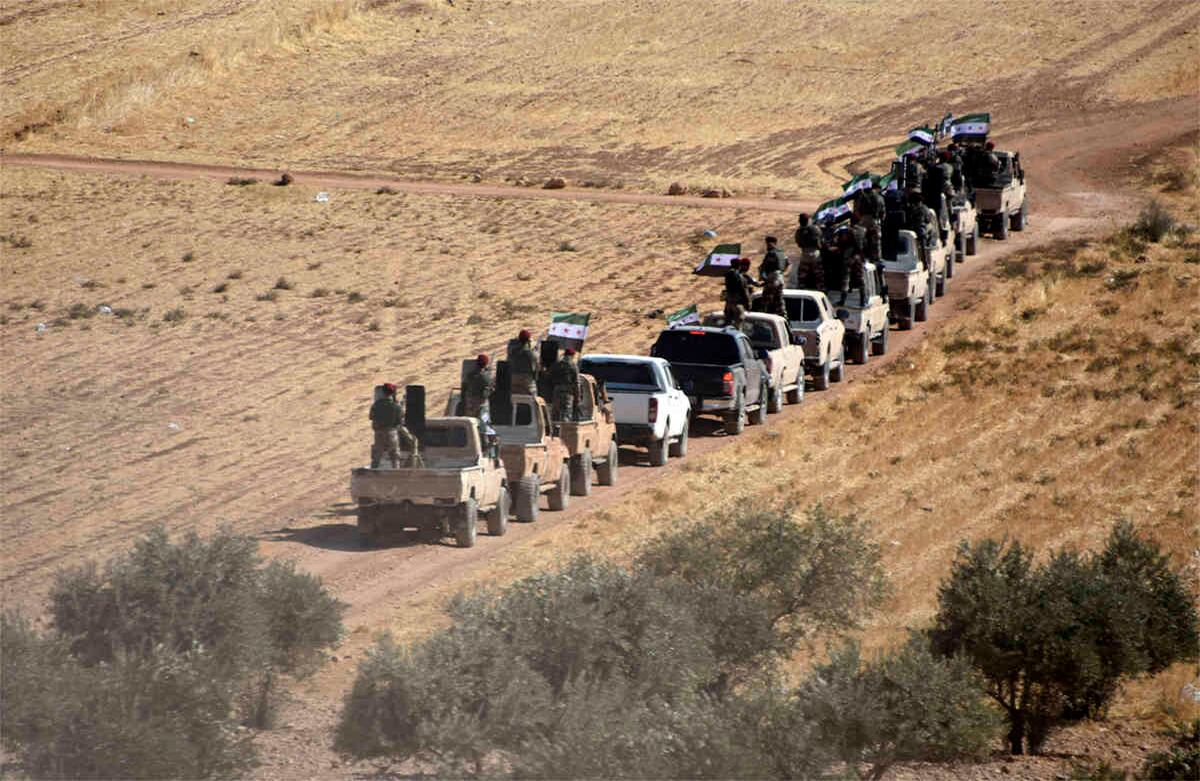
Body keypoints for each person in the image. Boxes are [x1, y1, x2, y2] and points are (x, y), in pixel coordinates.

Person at [369, 383, 419, 468]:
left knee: (377, 456)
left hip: (379, 433)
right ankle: (396, 472)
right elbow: (400, 421)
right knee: (395, 456)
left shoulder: (376, 405)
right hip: (392, 433)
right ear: (392, 393)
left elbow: (371, 417)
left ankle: (372, 472)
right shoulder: (396, 407)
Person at [854, 182, 885, 265]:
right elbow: (883, 212)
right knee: (876, 240)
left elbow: (856, 209)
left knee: (862, 238)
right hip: (875, 220)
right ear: (877, 189)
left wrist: (861, 218)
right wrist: (880, 220)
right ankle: (876, 259)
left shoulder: (862, 196)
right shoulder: (880, 198)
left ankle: (863, 257)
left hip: (863, 219)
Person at [794, 213, 824, 289]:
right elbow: (820, 237)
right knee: (819, 274)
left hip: (804, 254)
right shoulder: (815, 229)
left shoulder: (799, 231)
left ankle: (801, 288)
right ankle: (821, 288)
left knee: (802, 275)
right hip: (815, 253)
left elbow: (798, 243)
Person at [549, 347, 580, 421]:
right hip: (568, 393)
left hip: (557, 390)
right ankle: (565, 431)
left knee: (555, 414)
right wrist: (577, 397)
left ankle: (555, 430)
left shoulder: (557, 364)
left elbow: (550, 377)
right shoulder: (573, 366)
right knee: (566, 413)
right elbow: (576, 383)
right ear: (572, 355)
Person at [723, 256, 756, 324]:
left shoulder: (728, 274)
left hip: (729, 304)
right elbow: (744, 290)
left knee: (728, 323)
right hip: (737, 304)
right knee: (738, 325)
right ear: (739, 265)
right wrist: (748, 303)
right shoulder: (739, 276)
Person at [463, 354, 495, 420]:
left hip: (469, 401)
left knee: (469, 419)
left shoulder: (470, 375)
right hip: (479, 404)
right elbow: (488, 391)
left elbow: (465, 385)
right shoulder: (484, 377)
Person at [508, 329, 540, 396]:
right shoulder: (531, 354)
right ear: (528, 341)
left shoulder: (512, 352)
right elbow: (537, 369)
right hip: (527, 384)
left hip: (512, 382)